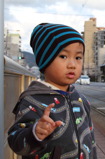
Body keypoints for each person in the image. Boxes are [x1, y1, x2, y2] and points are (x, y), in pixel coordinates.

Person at [8, 23, 97, 159]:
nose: (72, 64)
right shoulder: (32, 101)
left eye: (78, 57)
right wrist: (35, 133)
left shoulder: (80, 99)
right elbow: (16, 143)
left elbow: (91, 140)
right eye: (63, 56)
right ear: (45, 60)